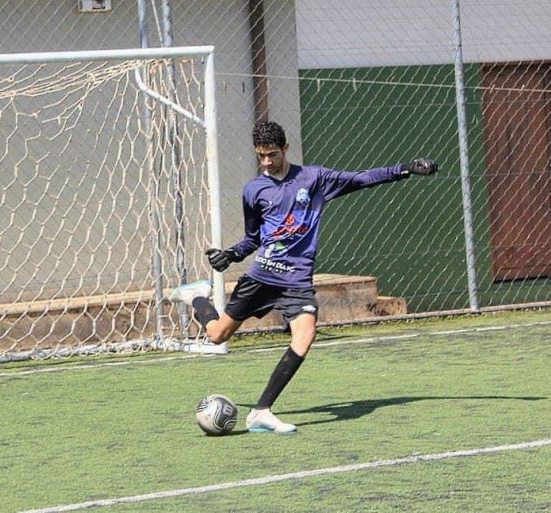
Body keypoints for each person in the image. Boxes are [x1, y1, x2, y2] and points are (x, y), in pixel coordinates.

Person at [169, 121, 438, 434]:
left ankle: (260, 412)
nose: (267, 161)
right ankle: (196, 296)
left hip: (297, 279)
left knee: (305, 335)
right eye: (261, 156)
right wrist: (231, 255)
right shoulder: (254, 190)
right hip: (263, 276)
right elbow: (253, 238)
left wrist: (404, 169)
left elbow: (360, 179)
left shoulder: (315, 179)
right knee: (217, 335)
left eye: (272, 154)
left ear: (285, 148)